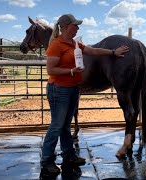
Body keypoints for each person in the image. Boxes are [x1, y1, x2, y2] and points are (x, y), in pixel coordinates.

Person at [40, 13, 129, 177]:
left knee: (65, 126)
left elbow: (92, 51)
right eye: (75, 25)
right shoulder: (56, 45)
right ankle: (47, 162)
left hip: (73, 89)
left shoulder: (74, 43)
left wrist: (113, 52)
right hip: (59, 90)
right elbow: (51, 70)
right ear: (66, 27)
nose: (78, 28)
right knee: (57, 126)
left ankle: (69, 156)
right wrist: (72, 71)